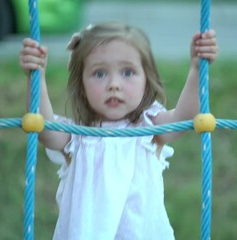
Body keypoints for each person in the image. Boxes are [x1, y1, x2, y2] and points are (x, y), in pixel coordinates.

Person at [19, 22, 218, 240]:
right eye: (99, 74)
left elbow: (185, 117)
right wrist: (35, 76)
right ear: (82, 86)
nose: (114, 84)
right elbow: (43, 128)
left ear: (146, 79)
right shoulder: (77, 136)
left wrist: (197, 70)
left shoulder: (149, 128)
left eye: (128, 72)